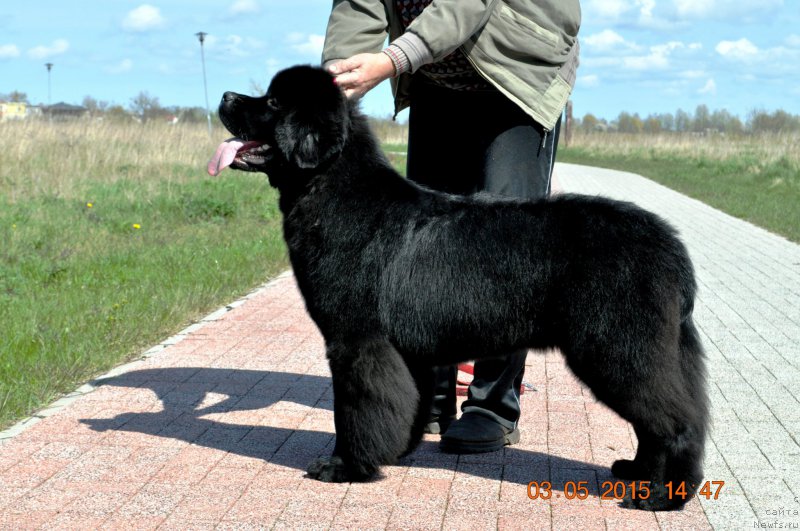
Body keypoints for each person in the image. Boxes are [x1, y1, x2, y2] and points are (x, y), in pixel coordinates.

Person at [322, 0, 581, 454]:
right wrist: (336, 75)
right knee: (423, 245)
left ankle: (493, 406)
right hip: (436, 78)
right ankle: (430, 397)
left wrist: (389, 60)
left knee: (507, 250)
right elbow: (358, 5)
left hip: (517, 70)